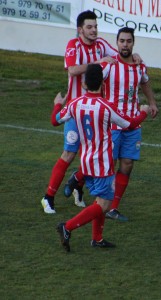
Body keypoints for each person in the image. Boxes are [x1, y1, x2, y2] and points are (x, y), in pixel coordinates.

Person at [41, 10, 142, 213]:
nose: (94, 30)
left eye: (95, 26)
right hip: (75, 110)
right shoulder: (73, 46)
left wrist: (134, 56)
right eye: (89, 27)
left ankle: (79, 187)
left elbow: (120, 56)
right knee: (69, 154)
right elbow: (72, 70)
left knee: (95, 155)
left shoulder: (102, 44)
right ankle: (48, 196)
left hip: (95, 111)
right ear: (80, 29)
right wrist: (98, 64)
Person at [51, 64, 150, 252]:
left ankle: (97, 238)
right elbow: (129, 125)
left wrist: (58, 103)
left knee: (99, 200)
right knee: (104, 204)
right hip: (102, 163)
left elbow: (55, 120)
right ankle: (67, 227)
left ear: (86, 84)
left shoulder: (75, 103)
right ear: (103, 84)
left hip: (86, 160)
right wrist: (143, 111)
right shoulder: (106, 107)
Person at [65, 27, 159, 221]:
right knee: (107, 163)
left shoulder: (140, 66)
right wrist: (98, 103)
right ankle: (78, 178)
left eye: (129, 41)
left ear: (133, 43)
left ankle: (112, 209)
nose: (125, 44)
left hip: (132, 125)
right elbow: (87, 83)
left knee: (127, 164)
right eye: (122, 41)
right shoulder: (108, 65)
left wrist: (152, 103)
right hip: (113, 124)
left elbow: (145, 82)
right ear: (117, 43)